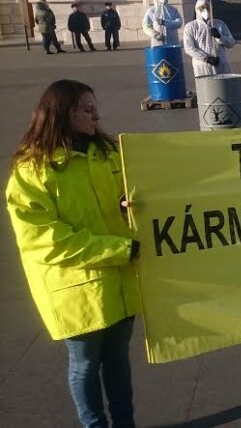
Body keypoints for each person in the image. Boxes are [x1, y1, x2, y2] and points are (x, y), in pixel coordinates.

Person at [6, 80, 141, 428]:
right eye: (87, 108)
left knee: (118, 362)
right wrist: (119, 249)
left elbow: (126, 196)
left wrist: (128, 205)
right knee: (84, 365)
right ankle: (94, 425)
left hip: (118, 279)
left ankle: (125, 423)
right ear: (63, 114)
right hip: (77, 289)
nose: (96, 113)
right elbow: (49, 241)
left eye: (95, 106)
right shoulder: (32, 171)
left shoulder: (108, 154)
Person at [183, 0, 237, 78]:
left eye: (208, 8)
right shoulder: (191, 27)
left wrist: (219, 37)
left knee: (223, 88)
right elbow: (189, 48)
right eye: (202, 8)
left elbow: (231, 43)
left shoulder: (219, 24)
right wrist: (206, 58)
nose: (206, 11)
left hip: (220, 63)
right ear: (197, 10)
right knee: (206, 88)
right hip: (203, 66)